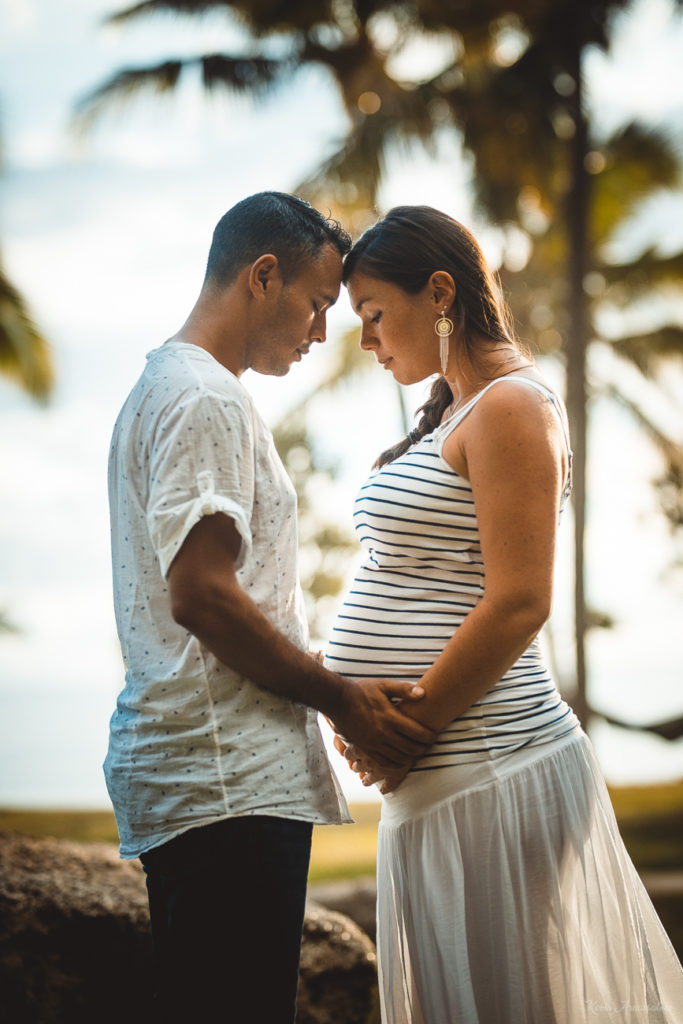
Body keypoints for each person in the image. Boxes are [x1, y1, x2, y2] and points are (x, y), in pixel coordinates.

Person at [325, 205, 683, 1023]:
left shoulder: (513, 405)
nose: (366, 341)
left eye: (375, 314)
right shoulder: (452, 413)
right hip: (442, 784)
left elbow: (521, 599)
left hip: (491, 770)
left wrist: (402, 731)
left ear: (440, 293)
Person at [105, 192, 435, 1024]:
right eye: (318, 303)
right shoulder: (206, 397)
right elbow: (203, 595)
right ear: (262, 276)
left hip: (205, 782)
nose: (321, 331)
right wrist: (342, 698)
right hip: (229, 788)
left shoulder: (162, 385)